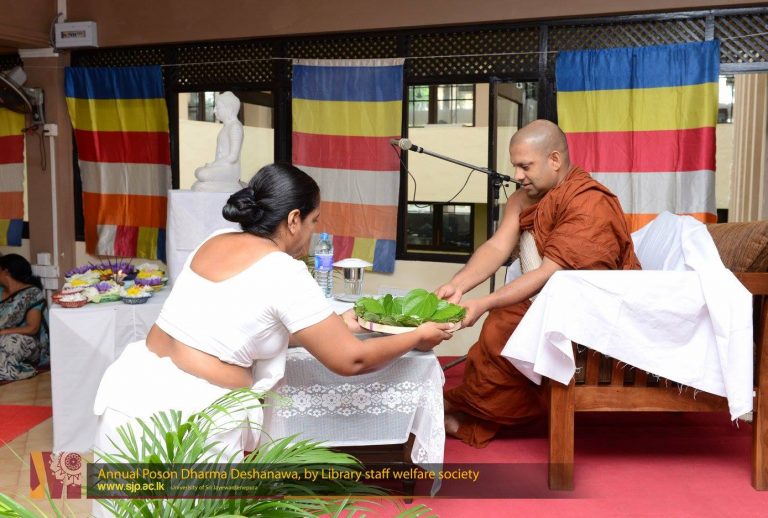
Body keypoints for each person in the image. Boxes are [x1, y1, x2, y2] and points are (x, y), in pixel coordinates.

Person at [93, 162, 455, 461]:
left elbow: (237, 326)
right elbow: (352, 360)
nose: (313, 231)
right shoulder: (284, 270)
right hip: (186, 423)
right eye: (314, 221)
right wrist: (418, 335)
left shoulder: (214, 240)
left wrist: (336, 326)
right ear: (294, 219)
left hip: (133, 395)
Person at [437, 120, 640, 448]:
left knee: (501, 324)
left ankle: (477, 414)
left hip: (592, 311)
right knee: (501, 322)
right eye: (515, 166)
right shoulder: (522, 200)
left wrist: (484, 303)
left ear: (555, 160)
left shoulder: (588, 202)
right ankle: (474, 405)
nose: (517, 175)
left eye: (525, 166)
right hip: (549, 300)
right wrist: (458, 285)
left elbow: (549, 272)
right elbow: (497, 247)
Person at [0, 254, 49, 381]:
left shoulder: (31, 293)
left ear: (6, 271)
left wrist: (3, 332)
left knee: (9, 342)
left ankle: (24, 370)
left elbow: (32, 328)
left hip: (25, 340)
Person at [191, 91, 245, 193]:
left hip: (230, 170)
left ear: (229, 109)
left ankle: (230, 184)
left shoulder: (235, 127)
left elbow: (233, 157)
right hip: (221, 166)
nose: (215, 110)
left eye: (218, 107)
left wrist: (213, 165)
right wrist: (213, 164)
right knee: (198, 172)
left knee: (202, 174)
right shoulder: (226, 127)